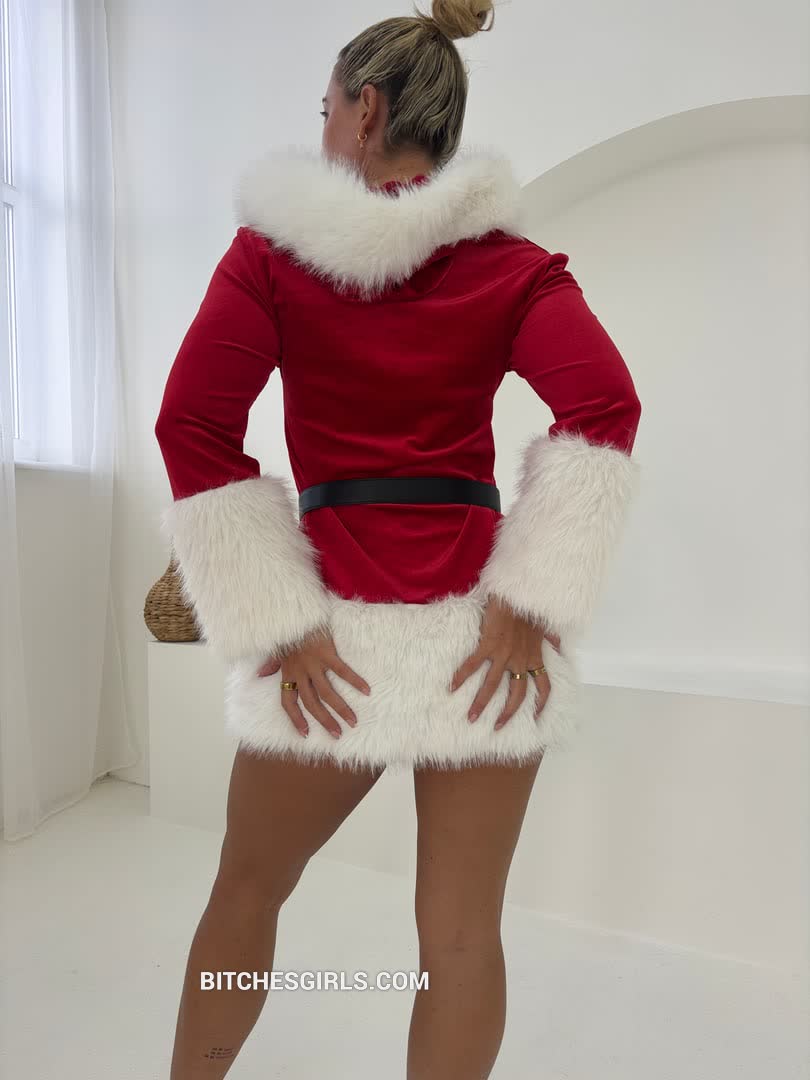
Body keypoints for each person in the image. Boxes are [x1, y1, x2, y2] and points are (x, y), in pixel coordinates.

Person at [154, 1, 642, 1076]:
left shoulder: (272, 258)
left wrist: (278, 619)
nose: (324, 126)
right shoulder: (515, 266)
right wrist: (528, 602)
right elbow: (606, 407)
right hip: (482, 649)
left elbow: (189, 425)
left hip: (333, 643)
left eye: (327, 108)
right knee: (462, 939)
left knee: (247, 889)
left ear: (366, 110)